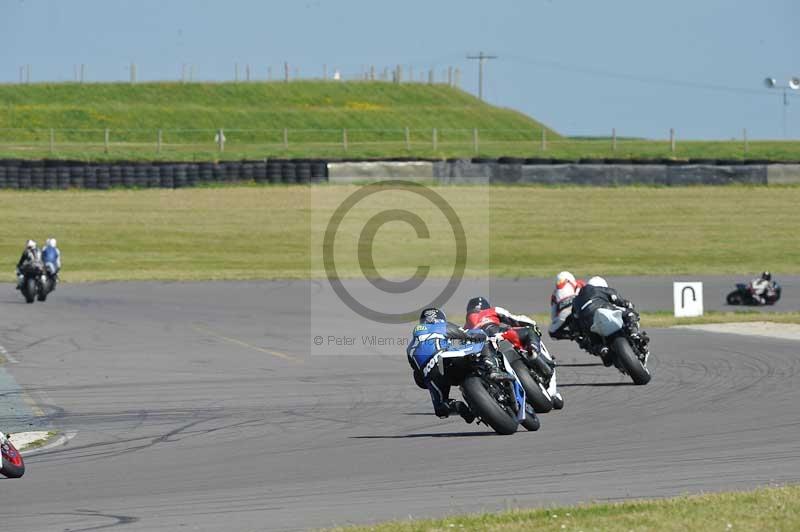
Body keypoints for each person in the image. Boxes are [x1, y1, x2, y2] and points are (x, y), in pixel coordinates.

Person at [407, 308, 509, 422]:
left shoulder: (410, 347)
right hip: (447, 360)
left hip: (433, 376)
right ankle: (492, 369)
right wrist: (481, 335)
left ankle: (460, 408)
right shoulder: (440, 325)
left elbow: (419, 378)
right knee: (482, 341)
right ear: (440, 318)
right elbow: (467, 335)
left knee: (441, 409)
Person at [464, 296, 554, 381]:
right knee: (529, 331)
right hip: (502, 335)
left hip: (482, 347)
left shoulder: (465, 326)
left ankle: (493, 370)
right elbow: (516, 320)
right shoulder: (491, 311)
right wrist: (533, 325)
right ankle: (533, 350)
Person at [567, 276, 639, 366]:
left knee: (591, 342)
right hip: (603, 308)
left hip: (587, 323)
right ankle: (634, 333)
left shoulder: (576, 300)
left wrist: (579, 334)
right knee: (630, 314)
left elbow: (574, 323)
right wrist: (629, 305)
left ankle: (602, 349)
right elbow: (620, 301)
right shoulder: (601, 289)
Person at [548, 271, 586, 341]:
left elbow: (553, 316)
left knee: (552, 332)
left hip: (564, 315)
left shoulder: (554, 293)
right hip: (581, 310)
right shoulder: (578, 283)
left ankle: (574, 336)